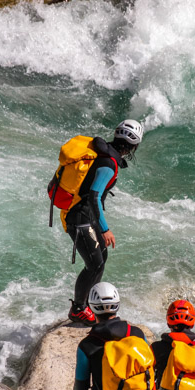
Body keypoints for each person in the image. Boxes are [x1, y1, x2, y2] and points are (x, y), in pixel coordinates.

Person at [49, 120, 143, 326]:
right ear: (134, 145)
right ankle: (78, 309)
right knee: (95, 264)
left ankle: (91, 305)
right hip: (80, 217)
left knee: (102, 257)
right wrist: (105, 229)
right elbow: (93, 196)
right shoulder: (109, 163)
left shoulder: (103, 151)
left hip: (84, 214)